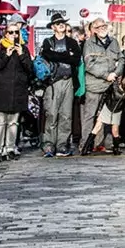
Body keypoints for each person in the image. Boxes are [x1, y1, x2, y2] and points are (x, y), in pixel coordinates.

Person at [37, 15, 81, 158]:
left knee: (66, 115)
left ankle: (62, 144)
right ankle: (49, 144)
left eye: (62, 22)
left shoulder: (72, 42)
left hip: (68, 80)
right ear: (53, 27)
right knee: (52, 114)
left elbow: (76, 59)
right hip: (53, 82)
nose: (61, 25)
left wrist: (60, 55)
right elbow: (48, 55)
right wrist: (65, 55)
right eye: (57, 23)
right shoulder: (48, 41)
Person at [0, 24, 30, 161]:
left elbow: (30, 69)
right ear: (6, 34)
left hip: (17, 90)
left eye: (16, 32)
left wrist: (22, 55)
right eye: (10, 32)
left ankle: (10, 148)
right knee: (0, 122)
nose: (14, 35)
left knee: (13, 123)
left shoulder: (24, 49)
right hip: (1, 90)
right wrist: (6, 55)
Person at [81, 18, 122, 154]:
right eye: (98, 27)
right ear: (94, 30)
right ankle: (86, 144)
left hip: (111, 85)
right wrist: (106, 75)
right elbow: (90, 65)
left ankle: (106, 143)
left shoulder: (114, 42)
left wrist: (116, 73)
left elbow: (121, 59)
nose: (102, 28)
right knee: (90, 115)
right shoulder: (89, 44)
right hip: (94, 85)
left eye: (104, 26)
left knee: (110, 116)